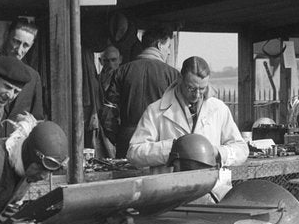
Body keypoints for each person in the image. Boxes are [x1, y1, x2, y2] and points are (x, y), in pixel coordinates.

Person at [128, 56, 248, 200]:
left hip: (211, 194)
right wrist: (172, 149)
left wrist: (217, 152)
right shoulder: (156, 111)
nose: (197, 95)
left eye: (202, 89)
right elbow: (134, 153)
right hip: (169, 195)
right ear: (180, 79)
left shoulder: (218, 109)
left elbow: (241, 148)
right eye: (191, 88)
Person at [105, 24, 181, 157]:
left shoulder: (121, 71)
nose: (169, 52)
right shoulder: (173, 75)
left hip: (126, 140)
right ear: (159, 45)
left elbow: (108, 112)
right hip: (159, 143)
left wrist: (117, 136)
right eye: (168, 47)